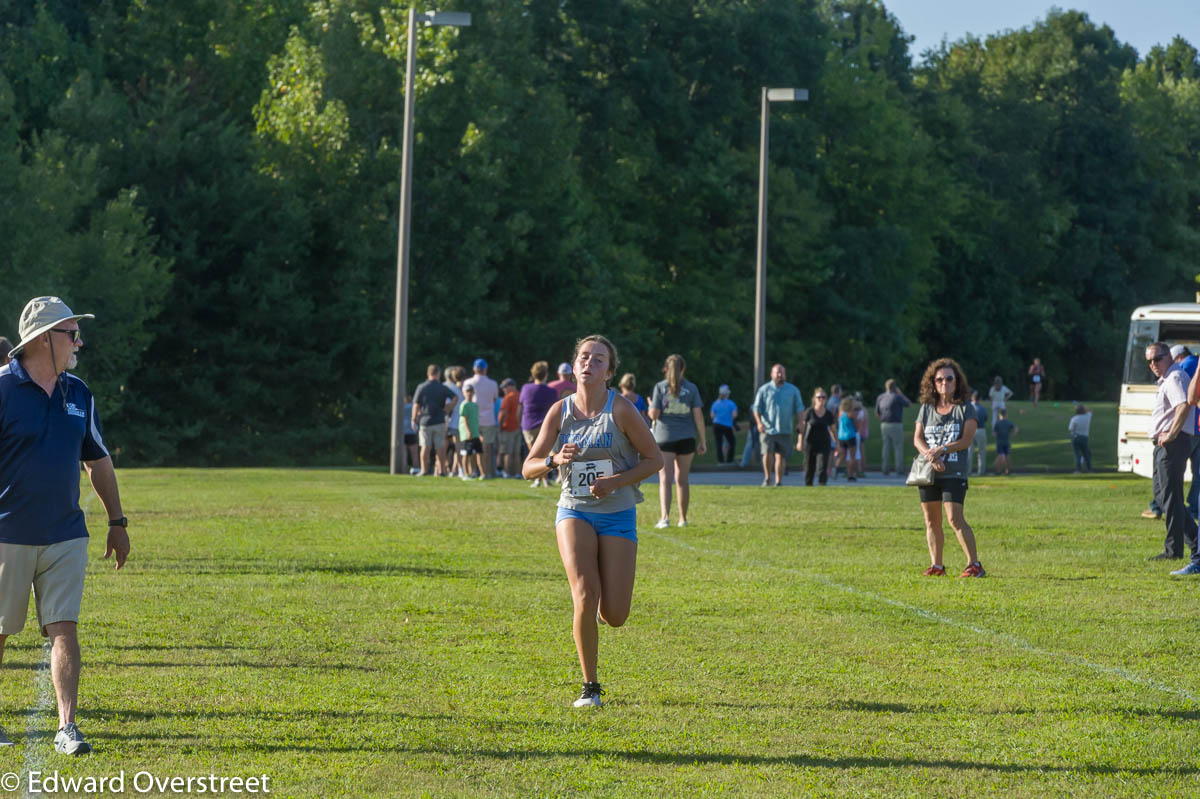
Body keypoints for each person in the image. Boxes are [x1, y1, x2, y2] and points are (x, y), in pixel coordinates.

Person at [0, 296, 130, 753]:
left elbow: (97, 460)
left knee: (65, 628)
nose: (79, 341)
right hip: (6, 534)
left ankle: (66, 727)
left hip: (65, 534)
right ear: (40, 340)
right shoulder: (1, 390)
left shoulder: (80, 393)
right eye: (70, 332)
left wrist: (117, 521)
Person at [521, 335, 662, 708]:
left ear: (609, 373)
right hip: (574, 510)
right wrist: (554, 459)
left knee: (614, 615)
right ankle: (590, 687)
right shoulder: (559, 412)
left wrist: (616, 481)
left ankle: (601, 608)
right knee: (584, 593)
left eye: (598, 360)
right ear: (574, 366)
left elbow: (654, 460)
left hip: (617, 514)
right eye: (583, 357)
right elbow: (527, 467)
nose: (588, 364)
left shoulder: (622, 411)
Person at [913, 357, 984, 578]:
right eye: (940, 379)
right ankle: (937, 565)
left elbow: (966, 440)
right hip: (929, 470)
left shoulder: (965, 408)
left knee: (954, 518)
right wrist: (930, 455)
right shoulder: (926, 408)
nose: (944, 383)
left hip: (954, 471)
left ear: (957, 382)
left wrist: (941, 450)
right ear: (933, 382)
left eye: (949, 379)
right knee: (931, 520)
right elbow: (917, 438)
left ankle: (974, 565)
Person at [1141, 341, 1199, 568]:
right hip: (1166, 444)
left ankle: (1174, 550)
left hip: (1172, 445)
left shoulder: (1174, 378)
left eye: (1157, 358)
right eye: (1149, 361)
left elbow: (1184, 405)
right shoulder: (1168, 379)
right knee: (1165, 496)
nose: (1153, 364)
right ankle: (1194, 541)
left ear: (1169, 357)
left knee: (1170, 497)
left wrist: (1172, 434)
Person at [648, 354, 706, 527]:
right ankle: (683, 519)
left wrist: (651, 405)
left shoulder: (660, 387)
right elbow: (698, 416)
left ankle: (665, 517)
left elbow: (655, 415)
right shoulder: (692, 388)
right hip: (687, 437)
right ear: (683, 369)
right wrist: (703, 440)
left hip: (665, 437)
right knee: (683, 480)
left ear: (665, 369)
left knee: (665, 479)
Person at [751, 364, 804, 488]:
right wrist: (759, 423)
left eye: (782, 373)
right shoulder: (764, 390)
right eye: (778, 373)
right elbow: (757, 408)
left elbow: (799, 408)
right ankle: (768, 478)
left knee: (781, 455)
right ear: (772, 374)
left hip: (785, 428)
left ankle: (778, 482)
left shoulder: (792, 390)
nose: (780, 375)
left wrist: (801, 422)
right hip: (767, 428)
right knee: (767, 453)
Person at [411, 365, 458, 476]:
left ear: (428, 374)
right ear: (438, 374)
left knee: (425, 447)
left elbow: (416, 404)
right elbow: (455, 398)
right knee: (440, 447)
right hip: (440, 420)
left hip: (425, 421)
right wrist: (448, 407)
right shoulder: (442, 387)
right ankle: (442, 470)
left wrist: (414, 419)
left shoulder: (422, 387)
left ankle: (424, 470)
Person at [520, 361, 560, 488]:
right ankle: (546, 480)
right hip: (546, 425)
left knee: (534, 455)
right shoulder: (552, 391)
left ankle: (539, 480)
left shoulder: (526, 388)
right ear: (546, 374)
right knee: (550, 454)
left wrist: (518, 422)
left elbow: (519, 408)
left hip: (529, 424)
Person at [464, 359, 500, 478]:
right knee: (486, 447)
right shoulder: (493, 383)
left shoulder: (468, 382)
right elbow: (494, 400)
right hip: (488, 419)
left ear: (474, 369)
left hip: (473, 419)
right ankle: (485, 472)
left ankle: (473, 471)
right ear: (485, 369)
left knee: (472, 447)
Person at [798, 387, 836, 486]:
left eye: (823, 397)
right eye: (818, 397)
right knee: (809, 468)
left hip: (824, 443)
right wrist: (800, 442)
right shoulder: (809, 412)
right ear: (814, 399)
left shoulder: (828, 414)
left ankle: (822, 485)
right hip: (810, 443)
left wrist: (837, 443)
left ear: (826, 399)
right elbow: (802, 428)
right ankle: (809, 486)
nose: (821, 399)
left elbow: (833, 430)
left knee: (822, 466)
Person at [874, 379, 911, 476]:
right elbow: (909, 404)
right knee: (898, 447)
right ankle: (899, 469)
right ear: (895, 388)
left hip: (884, 425)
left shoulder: (880, 397)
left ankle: (885, 469)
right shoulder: (897, 397)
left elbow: (877, 414)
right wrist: (901, 393)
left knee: (886, 447)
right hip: (896, 424)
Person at [443, 366, 466, 477]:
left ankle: (443, 469)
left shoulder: (446, 386)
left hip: (449, 420)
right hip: (456, 420)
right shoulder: (456, 388)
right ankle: (457, 469)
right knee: (458, 447)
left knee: (445, 446)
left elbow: (447, 406)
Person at [457, 384, 484, 479]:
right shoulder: (464, 405)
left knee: (477, 453)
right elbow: (464, 419)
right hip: (467, 435)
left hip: (475, 433)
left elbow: (476, 420)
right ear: (463, 393)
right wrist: (468, 431)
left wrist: (479, 433)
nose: (469, 393)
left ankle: (476, 473)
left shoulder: (475, 405)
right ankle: (466, 474)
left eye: (470, 391)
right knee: (466, 454)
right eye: (467, 391)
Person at [498, 378, 522, 478]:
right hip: (518, 427)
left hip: (508, 428)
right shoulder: (520, 395)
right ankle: (517, 473)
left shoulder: (508, 397)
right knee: (516, 453)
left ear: (510, 386)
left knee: (508, 452)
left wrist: (500, 424)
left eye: (505, 387)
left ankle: (507, 473)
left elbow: (503, 413)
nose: (504, 390)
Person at [709, 385, 738, 465]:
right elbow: (734, 415)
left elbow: (712, 415)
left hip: (716, 425)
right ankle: (729, 460)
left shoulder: (715, 403)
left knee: (719, 443)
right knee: (732, 442)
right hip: (727, 425)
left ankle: (720, 461)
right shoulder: (731, 404)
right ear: (727, 394)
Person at [835, 397, 860, 481]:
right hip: (850, 436)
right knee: (852, 457)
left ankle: (835, 469)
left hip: (841, 436)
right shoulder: (852, 414)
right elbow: (857, 426)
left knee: (842, 455)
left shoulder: (840, 413)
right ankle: (850, 475)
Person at [966, 390, 988, 476]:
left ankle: (968, 471)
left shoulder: (968, 408)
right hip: (981, 429)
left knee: (969, 452)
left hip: (969, 430)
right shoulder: (983, 408)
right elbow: (985, 419)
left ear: (972, 398)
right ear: (980, 399)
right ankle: (981, 471)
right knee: (981, 452)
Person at [992, 408, 1017, 475]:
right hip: (1007, 441)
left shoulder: (997, 423)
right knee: (1007, 456)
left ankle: (998, 471)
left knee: (1000, 456)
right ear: (1006, 415)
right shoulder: (1008, 422)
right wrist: (1012, 434)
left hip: (1000, 442)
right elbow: (1015, 429)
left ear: (999, 415)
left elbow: (995, 434)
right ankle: (1008, 470)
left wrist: (996, 441)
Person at [1069, 404, 1093, 473]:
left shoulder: (1074, 419)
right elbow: (1090, 410)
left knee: (1077, 455)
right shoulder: (1088, 416)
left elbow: (1071, 429)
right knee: (1086, 454)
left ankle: (1078, 470)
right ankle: (1089, 469)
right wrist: (1085, 408)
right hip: (1084, 437)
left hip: (1076, 437)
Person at [403, 393, 419, 474]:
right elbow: (417, 417)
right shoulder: (413, 406)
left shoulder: (401, 407)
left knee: (404, 454)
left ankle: (404, 470)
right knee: (414, 453)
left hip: (403, 432)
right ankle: (416, 469)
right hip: (412, 431)